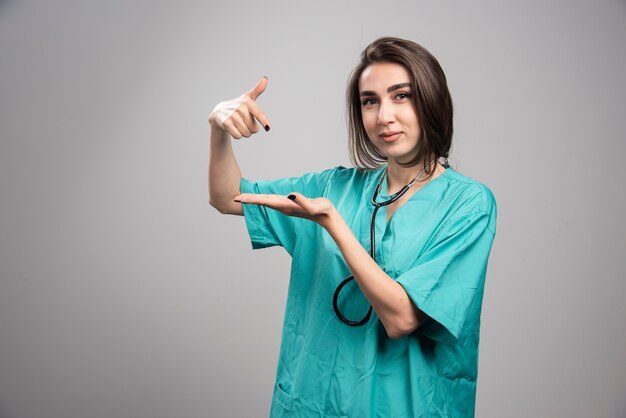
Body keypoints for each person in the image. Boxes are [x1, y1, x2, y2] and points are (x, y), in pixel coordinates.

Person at [208, 37, 497, 418]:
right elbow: (228, 197)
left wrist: (333, 224)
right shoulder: (335, 187)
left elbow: (402, 318)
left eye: (401, 96)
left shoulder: (468, 203)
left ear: (432, 100)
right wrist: (218, 129)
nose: (383, 116)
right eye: (369, 101)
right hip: (311, 403)